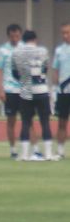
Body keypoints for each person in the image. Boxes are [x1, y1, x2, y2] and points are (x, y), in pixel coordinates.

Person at [0, 23, 40, 159]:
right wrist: (0, 89)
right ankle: (13, 150)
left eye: (17, 36)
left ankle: (35, 149)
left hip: (24, 89)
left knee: (28, 120)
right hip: (9, 90)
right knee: (11, 120)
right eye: (12, 36)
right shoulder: (2, 51)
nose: (15, 38)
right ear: (8, 36)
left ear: (20, 36)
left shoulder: (25, 49)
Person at [11, 30, 57, 161]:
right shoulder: (43, 51)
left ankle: (25, 154)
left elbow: (14, 73)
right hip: (42, 90)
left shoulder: (16, 52)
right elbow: (45, 69)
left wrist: (24, 80)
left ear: (23, 40)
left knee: (25, 122)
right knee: (45, 122)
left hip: (26, 91)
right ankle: (48, 153)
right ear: (35, 39)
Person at [51, 22, 70, 159]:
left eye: (68, 32)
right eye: (63, 33)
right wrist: (55, 88)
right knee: (62, 121)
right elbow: (55, 71)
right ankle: (60, 150)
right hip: (63, 92)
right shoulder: (59, 50)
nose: (65, 35)